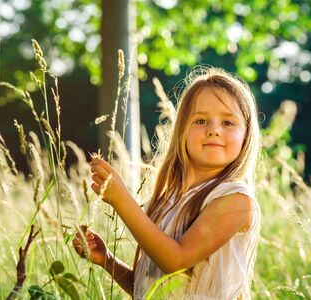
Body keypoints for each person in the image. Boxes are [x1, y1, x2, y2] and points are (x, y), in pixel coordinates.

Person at [72, 66, 262, 299]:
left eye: (228, 123)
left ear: (246, 135)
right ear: (181, 130)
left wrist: (121, 201)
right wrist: (107, 261)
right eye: (201, 120)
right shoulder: (167, 201)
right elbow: (149, 289)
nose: (213, 130)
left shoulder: (236, 200)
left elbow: (176, 260)